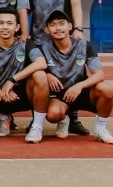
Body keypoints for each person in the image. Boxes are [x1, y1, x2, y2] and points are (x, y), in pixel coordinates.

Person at [22, 0, 89, 136]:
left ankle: (73, 118)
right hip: (40, 39)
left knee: (72, 74)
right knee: (39, 77)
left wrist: (78, 29)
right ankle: (37, 119)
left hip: (66, 37)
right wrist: (25, 35)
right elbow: (24, 10)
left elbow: (76, 3)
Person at [0, 8, 49, 143]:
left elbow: (41, 63)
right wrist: (0, 92)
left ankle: (36, 127)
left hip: (24, 95)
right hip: (0, 97)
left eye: (9, 23)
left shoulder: (25, 43)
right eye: (1, 23)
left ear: (17, 27)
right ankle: (3, 117)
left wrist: (12, 79)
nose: (5, 27)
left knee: (40, 75)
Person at [41, 9, 113, 144]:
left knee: (107, 90)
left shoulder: (84, 45)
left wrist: (79, 86)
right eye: (53, 24)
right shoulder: (42, 48)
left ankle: (100, 128)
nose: (58, 28)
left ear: (70, 26)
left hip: (82, 91)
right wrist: (46, 75)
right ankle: (64, 119)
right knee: (52, 115)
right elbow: (34, 70)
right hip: (60, 95)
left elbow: (99, 74)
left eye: (61, 23)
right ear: (47, 29)